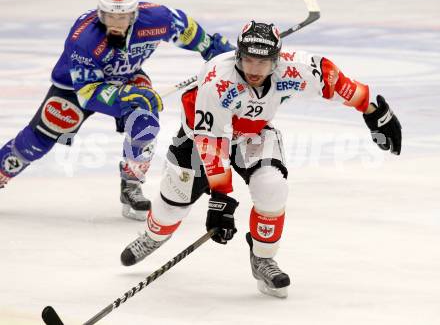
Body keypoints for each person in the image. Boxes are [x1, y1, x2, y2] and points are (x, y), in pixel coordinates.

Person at [119, 21, 402, 297]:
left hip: (252, 135)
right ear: (238, 56)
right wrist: (220, 199)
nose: (255, 70)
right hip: (198, 139)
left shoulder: (294, 68)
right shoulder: (218, 80)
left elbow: (333, 80)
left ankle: (263, 257)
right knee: (172, 203)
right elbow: (212, 142)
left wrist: (373, 111)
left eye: (263, 62)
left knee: (272, 187)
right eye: (249, 60)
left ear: (276, 61)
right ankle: (155, 236)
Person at [0, 0, 234, 221]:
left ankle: (131, 185)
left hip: (127, 77)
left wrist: (217, 51)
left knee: (145, 119)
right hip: (74, 88)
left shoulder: (157, 19)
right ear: (100, 13)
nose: (115, 23)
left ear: (135, 13)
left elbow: (188, 30)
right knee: (36, 142)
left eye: (122, 18)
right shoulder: (84, 40)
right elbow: (88, 93)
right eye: (109, 16)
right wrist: (125, 96)